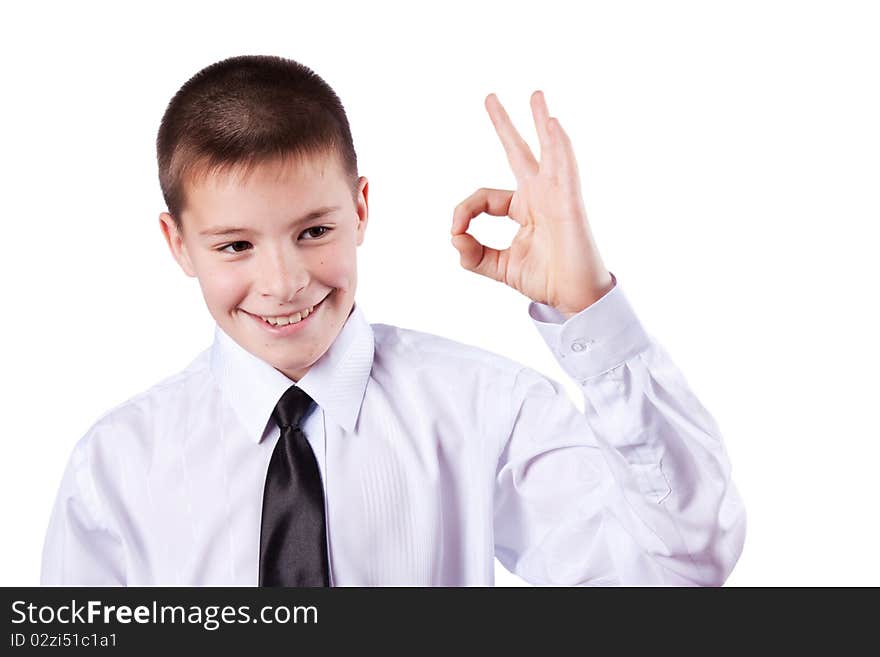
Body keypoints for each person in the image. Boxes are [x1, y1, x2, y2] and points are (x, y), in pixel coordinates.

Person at [40, 54, 746, 586]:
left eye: (314, 231)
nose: (283, 282)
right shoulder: (116, 467)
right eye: (235, 245)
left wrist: (589, 305)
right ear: (177, 245)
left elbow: (682, 568)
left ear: (362, 209)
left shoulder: (486, 410)